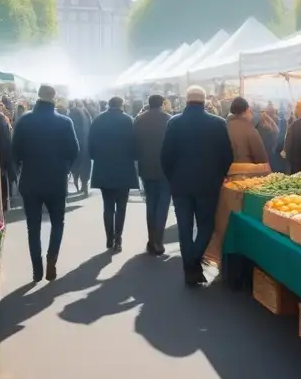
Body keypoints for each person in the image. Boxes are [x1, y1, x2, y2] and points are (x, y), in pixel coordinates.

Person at [161, 85, 234, 286]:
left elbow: (165, 156)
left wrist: (172, 177)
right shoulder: (218, 123)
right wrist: (219, 174)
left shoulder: (174, 123)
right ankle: (193, 264)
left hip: (180, 184)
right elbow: (228, 156)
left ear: (186, 101)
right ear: (204, 102)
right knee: (206, 225)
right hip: (208, 184)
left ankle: (190, 266)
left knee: (184, 228)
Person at [11, 84, 80, 282]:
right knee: (58, 222)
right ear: (54, 98)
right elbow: (74, 150)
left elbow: (14, 151)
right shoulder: (65, 122)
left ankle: (37, 268)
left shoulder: (24, 121)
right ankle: (52, 259)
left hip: (30, 180)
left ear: (38, 97)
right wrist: (65, 168)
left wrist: (21, 165)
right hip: (56, 180)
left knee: (33, 227)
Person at [88, 96, 139, 252]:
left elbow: (90, 144)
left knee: (108, 205)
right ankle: (118, 238)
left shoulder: (98, 120)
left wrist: (96, 157)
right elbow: (135, 145)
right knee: (122, 206)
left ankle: (109, 237)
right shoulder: (129, 121)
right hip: (124, 168)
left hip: (104, 167)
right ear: (122, 105)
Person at [134, 93, 172, 256]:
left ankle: (152, 239)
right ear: (162, 104)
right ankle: (158, 240)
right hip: (165, 168)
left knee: (151, 203)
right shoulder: (169, 119)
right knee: (163, 205)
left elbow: (134, 143)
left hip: (146, 167)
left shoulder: (139, 119)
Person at [226, 96, 269, 165]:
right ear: (245, 111)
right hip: (245, 171)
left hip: (225, 171)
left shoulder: (224, 127)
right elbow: (261, 157)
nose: (251, 115)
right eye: (249, 111)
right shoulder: (250, 130)